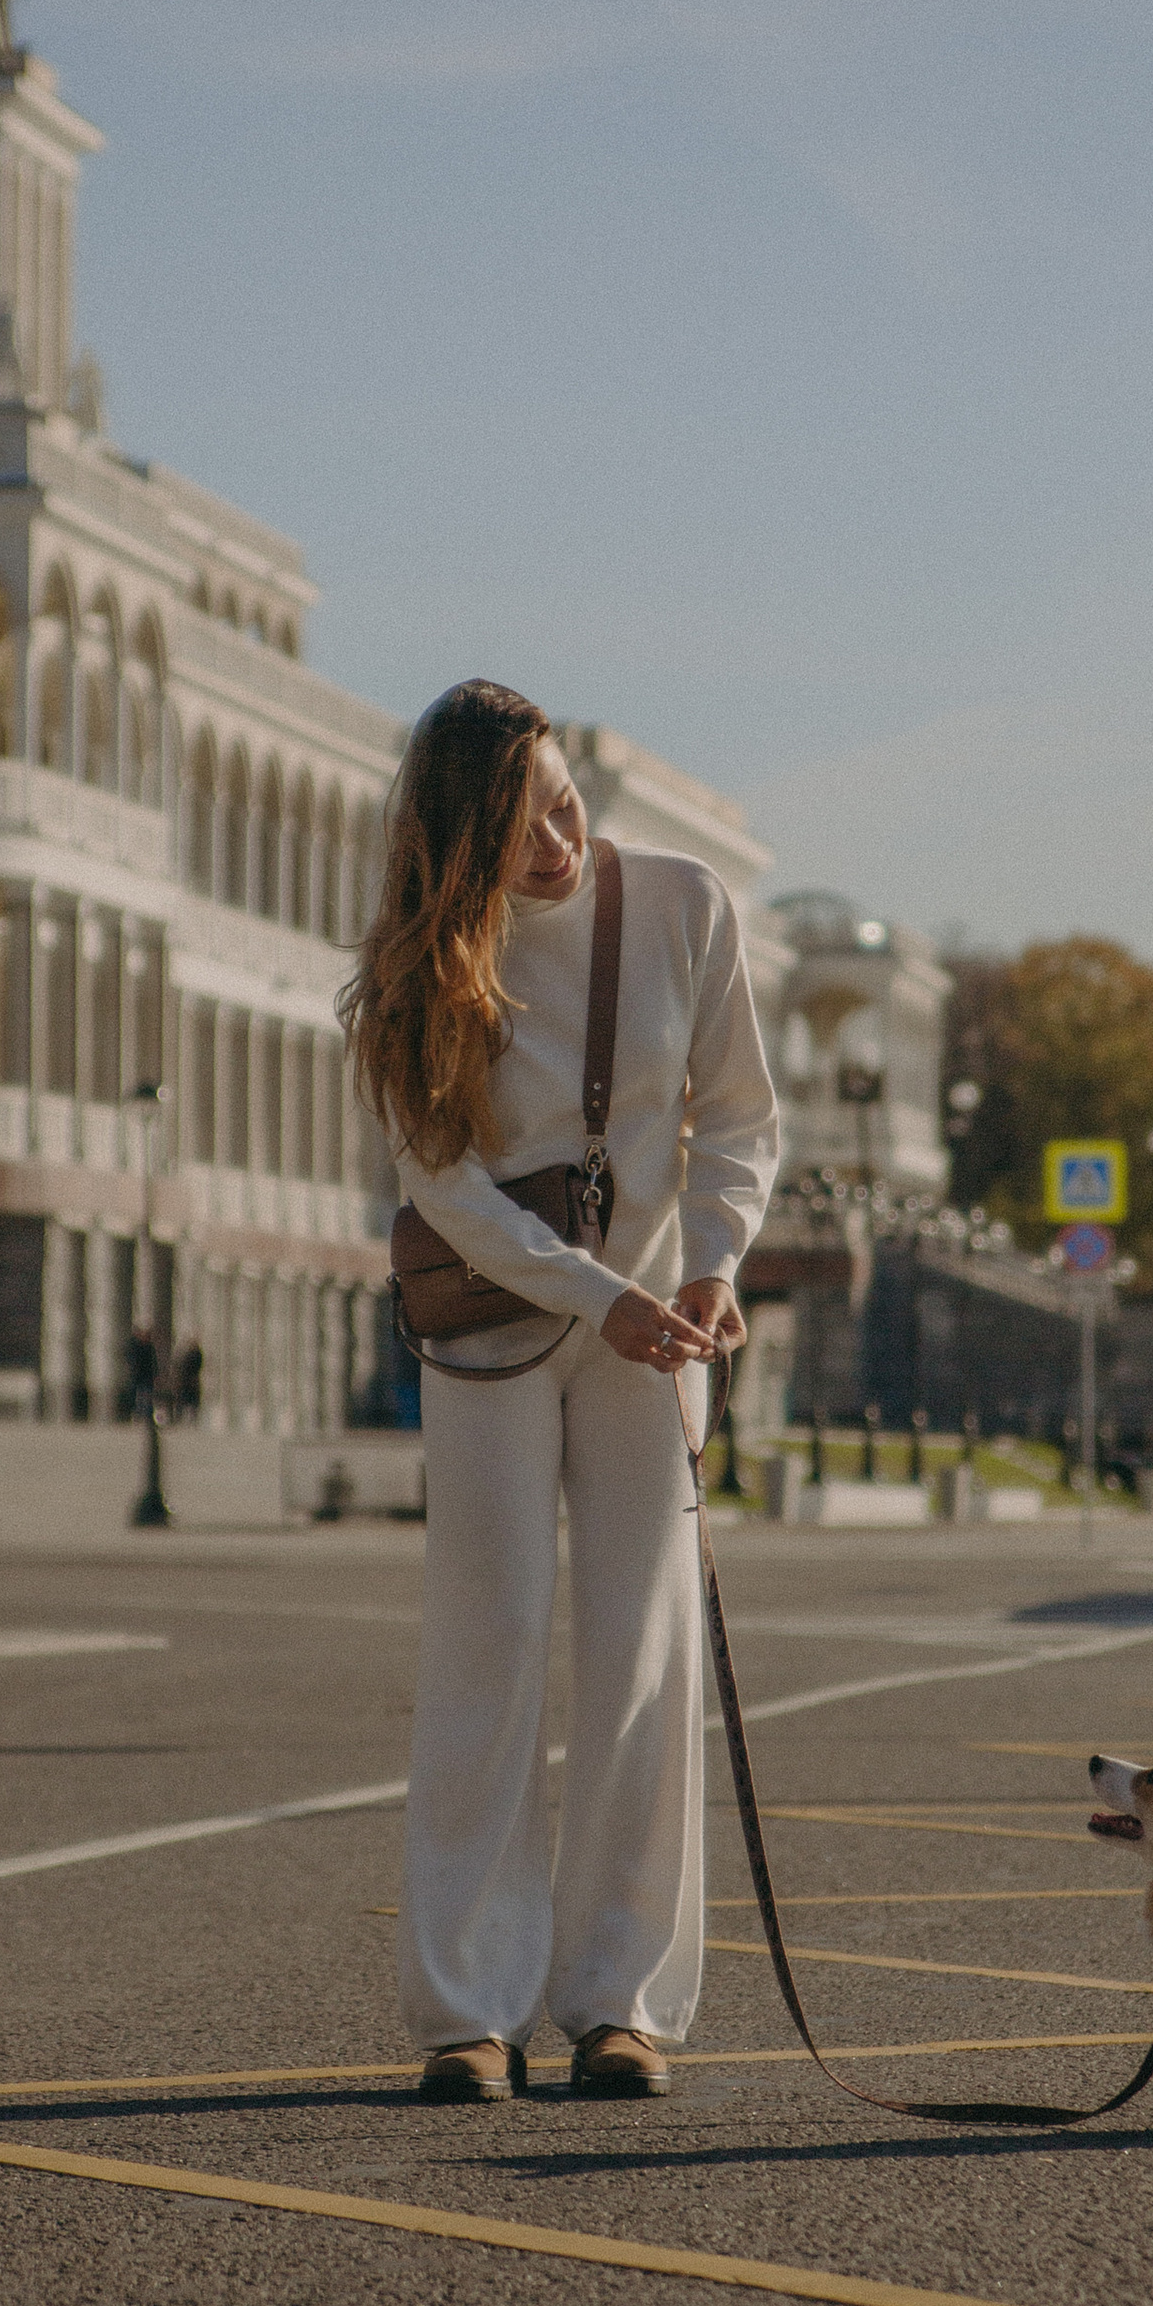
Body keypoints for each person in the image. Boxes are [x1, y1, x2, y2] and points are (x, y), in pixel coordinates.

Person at [342, 680, 779, 2104]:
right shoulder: (423, 964)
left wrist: (713, 1269)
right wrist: (610, 1297)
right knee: (491, 1642)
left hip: (660, 1328)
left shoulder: (683, 906)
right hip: (496, 1326)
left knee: (641, 1658)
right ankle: (468, 2011)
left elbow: (741, 1123)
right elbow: (447, 1193)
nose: (557, 843)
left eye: (563, 802)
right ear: (457, 846)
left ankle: (620, 2003)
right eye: (519, 831)